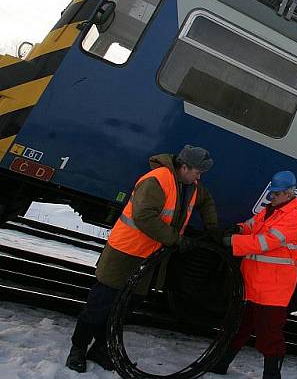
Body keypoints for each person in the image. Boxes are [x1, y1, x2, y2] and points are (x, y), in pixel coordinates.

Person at [65, 145, 219, 373]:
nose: (199, 176)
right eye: (197, 171)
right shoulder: (157, 180)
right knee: (101, 304)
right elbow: (144, 217)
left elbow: (206, 201)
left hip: (147, 259)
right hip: (124, 253)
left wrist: (212, 227)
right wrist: (177, 240)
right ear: (184, 166)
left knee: (126, 307)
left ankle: (99, 348)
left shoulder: (191, 186)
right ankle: (77, 350)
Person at [211, 170, 297, 379]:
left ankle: (271, 375)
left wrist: (232, 241)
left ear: (289, 194)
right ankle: (220, 365)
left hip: (273, 289)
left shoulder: (292, 218)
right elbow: (252, 226)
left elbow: (264, 243)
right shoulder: (271, 210)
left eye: (277, 194)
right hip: (253, 283)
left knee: (268, 336)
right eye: (272, 193)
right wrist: (239, 228)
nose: (273, 197)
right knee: (238, 327)